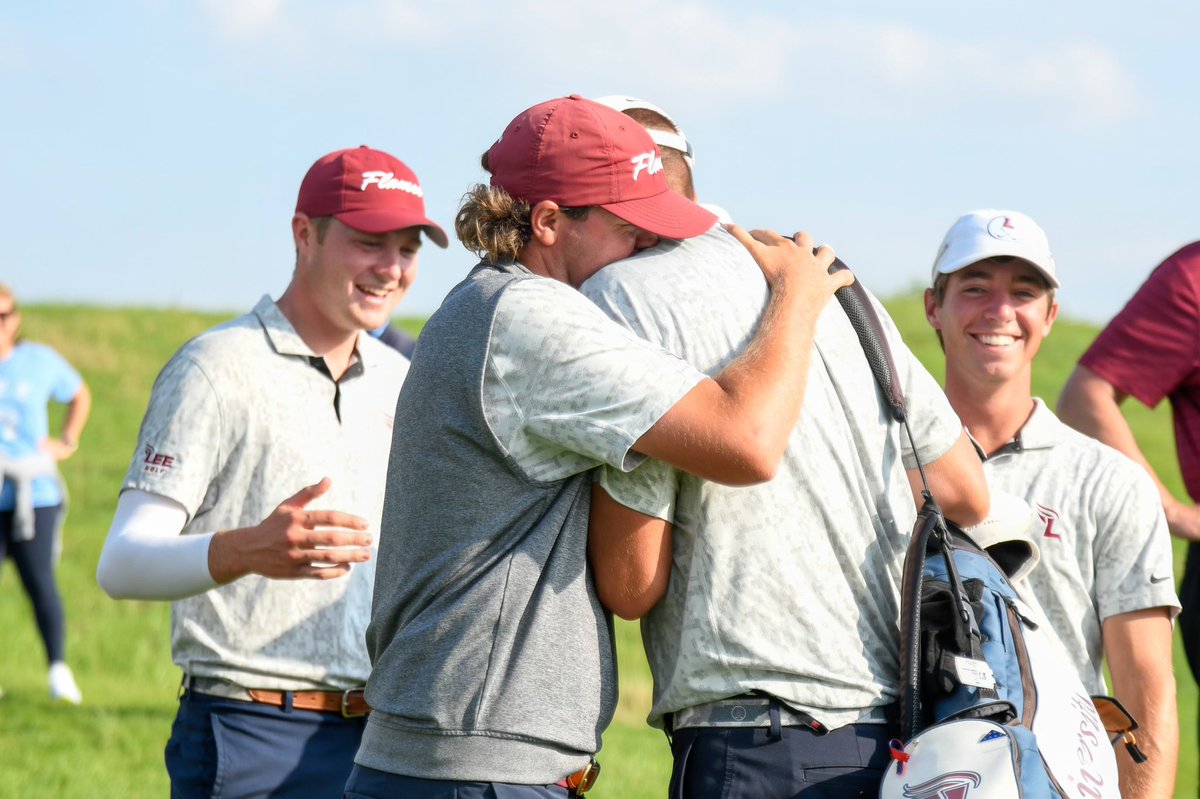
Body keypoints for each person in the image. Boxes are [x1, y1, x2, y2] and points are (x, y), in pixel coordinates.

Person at [347, 94, 854, 799]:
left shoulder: (490, 306)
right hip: (477, 769)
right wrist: (796, 296)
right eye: (629, 226)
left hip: (468, 758)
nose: (650, 247)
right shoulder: (529, 321)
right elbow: (747, 441)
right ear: (550, 222)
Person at [575, 98, 989, 798]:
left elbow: (632, 583)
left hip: (753, 740)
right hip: (900, 739)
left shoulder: (620, 296)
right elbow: (967, 492)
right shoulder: (831, 283)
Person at [95, 146, 446, 798]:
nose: (392, 268)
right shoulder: (214, 368)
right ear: (304, 234)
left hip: (383, 737)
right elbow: (121, 563)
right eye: (369, 242)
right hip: (250, 728)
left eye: (407, 249)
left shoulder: (405, 379)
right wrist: (246, 549)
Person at [925, 209, 1179, 799]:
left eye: (1023, 292)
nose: (1000, 311)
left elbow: (1145, 688)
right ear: (934, 307)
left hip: (1063, 782)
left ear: (1050, 315)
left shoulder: (1109, 481)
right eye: (975, 288)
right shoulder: (883, 463)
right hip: (908, 774)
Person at [0, 284, 91, 704]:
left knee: (40, 583)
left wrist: (66, 441)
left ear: (15, 319)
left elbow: (79, 394)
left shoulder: (38, 361)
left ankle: (58, 671)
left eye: (4, 316)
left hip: (34, 493)